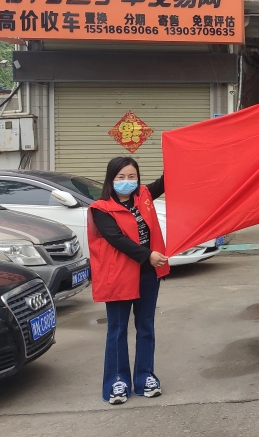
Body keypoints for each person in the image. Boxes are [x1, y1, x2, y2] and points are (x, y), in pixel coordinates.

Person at [88, 156, 169, 405]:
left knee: (146, 327)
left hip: (147, 275)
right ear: (111, 179)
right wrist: (148, 255)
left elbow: (168, 180)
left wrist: (181, 152)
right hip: (118, 277)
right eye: (121, 177)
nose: (127, 181)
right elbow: (117, 239)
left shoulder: (144, 195)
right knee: (117, 330)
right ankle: (117, 381)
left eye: (132, 176)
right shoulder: (101, 208)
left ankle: (145, 377)